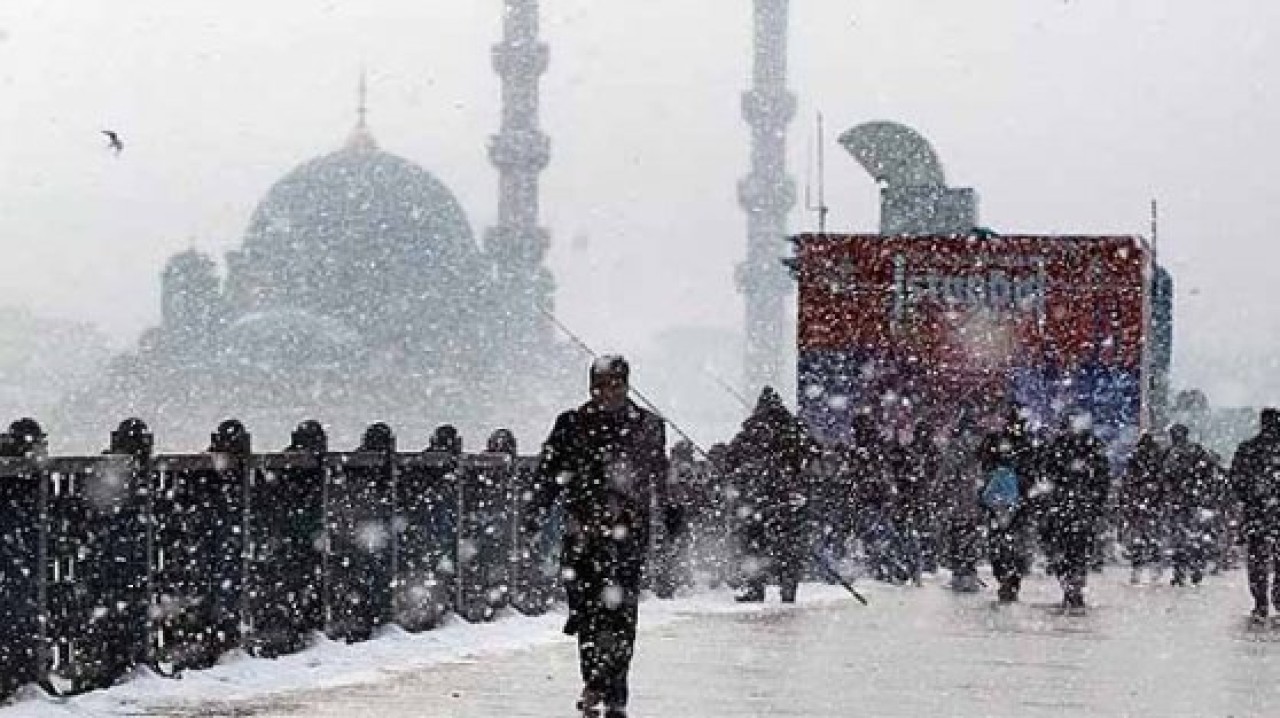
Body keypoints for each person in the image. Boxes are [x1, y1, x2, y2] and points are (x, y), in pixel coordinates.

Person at [524, 355, 668, 718]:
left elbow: (661, 477)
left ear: (626, 385)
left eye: (614, 385)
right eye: (600, 385)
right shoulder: (571, 424)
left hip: (626, 535)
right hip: (583, 534)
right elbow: (548, 475)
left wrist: (670, 510)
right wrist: (536, 511)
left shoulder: (648, 426)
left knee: (620, 614)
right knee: (587, 611)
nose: (607, 393)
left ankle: (609, 686)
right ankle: (596, 679)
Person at [724, 387, 819, 602]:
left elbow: (731, 458)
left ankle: (755, 588)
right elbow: (814, 451)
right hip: (788, 496)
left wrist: (742, 473)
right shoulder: (795, 429)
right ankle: (788, 589)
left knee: (754, 544)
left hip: (758, 497)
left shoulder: (752, 429)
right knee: (789, 546)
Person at [1040, 413, 1111, 611]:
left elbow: (1102, 478)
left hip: (1074, 508)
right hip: (1070, 508)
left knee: (1072, 550)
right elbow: (1046, 474)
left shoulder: (1085, 447)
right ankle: (1072, 587)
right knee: (1070, 550)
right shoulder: (1061, 447)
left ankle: (1073, 588)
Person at [978, 406, 1039, 603]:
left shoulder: (1000, 441)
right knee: (1010, 545)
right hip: (1011, 504)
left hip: (1003, 504)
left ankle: (1008, 579)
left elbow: (982, 463)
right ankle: (1009, 579)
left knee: (1003, 544)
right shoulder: (1025, 443)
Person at [1229, 408, 1280, 622]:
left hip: (1257, 514)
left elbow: (1235, 480)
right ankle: (1274, 597)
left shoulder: (1248, 449)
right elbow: (1236, 479)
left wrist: (1251, 495)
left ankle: (1261, 602)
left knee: (1257, 560)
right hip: (1265, 512)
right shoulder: (1250, 449)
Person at [1163, 424, 1219, 587]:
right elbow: (1209, 473)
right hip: (1192, 501)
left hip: (1181, 501)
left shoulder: (1170, 454)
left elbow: (1163, 477)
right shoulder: (1196, 451)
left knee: (1181, 537)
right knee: (1194, 537)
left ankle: (1182, 571)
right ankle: (1194, 569)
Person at [1120, 433, 1167, 584]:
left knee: (1139, 539)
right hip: (1152, 504)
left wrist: (1128, 500)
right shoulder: (1158, 458)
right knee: (1152, 538)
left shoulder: (1135, 458)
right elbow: (1163, 481)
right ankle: (1154, 569)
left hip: (1139, 503)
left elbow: (1127, 481)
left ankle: (1137, 569)